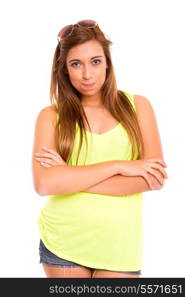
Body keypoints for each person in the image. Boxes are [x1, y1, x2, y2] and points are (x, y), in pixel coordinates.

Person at [32, 19, 168, 278]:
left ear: (107, 62)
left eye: (95, 61)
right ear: (64, 69)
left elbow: (154, 178)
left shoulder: (138, 106)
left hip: (120, 247)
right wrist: (120, 166)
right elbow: (44, 184)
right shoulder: (50, 116)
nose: (87, 74)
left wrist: (69, 176)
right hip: (64, 242)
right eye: (76, 64)